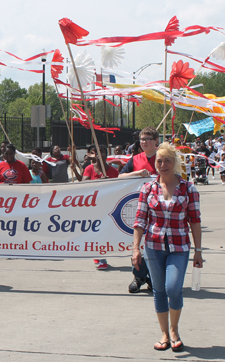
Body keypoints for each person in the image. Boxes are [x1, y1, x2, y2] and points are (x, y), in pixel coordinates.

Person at [132, 142, 202, 352]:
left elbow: (195, 220)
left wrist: (198, 251)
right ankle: (164, 333)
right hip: (153, 246)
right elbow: (140, 220)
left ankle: (174, 329)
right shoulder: (148, 188)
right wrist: (136, 248)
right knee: (159, 290)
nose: (163, 165)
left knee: (173, 288)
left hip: (179, 246)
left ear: (175, 162)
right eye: (159, 161)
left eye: (167, 160)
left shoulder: (188, 188)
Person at [119, 126, 160, 293]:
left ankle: (154, 277)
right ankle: (139, 276)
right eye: (142, 139)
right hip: (139, 207)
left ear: (156, 141)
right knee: (138, 243)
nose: (144, 142)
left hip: (160, 209)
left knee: (155, 243)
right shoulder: (135, 159)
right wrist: (136, 173)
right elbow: (120, 176)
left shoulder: (163, 158)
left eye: (148, 139)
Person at [82, 145, 119, 270]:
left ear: (106, 155)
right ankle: (99, 255)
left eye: (103, 152)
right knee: (96, 232)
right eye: (98, 152)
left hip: (108, 208)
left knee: (104, 232)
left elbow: (119, 188)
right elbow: (83, 184)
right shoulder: (89, 169)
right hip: (93, 207)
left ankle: (102, 257)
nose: (100, 155)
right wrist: (99, 183)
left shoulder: (114, 172)